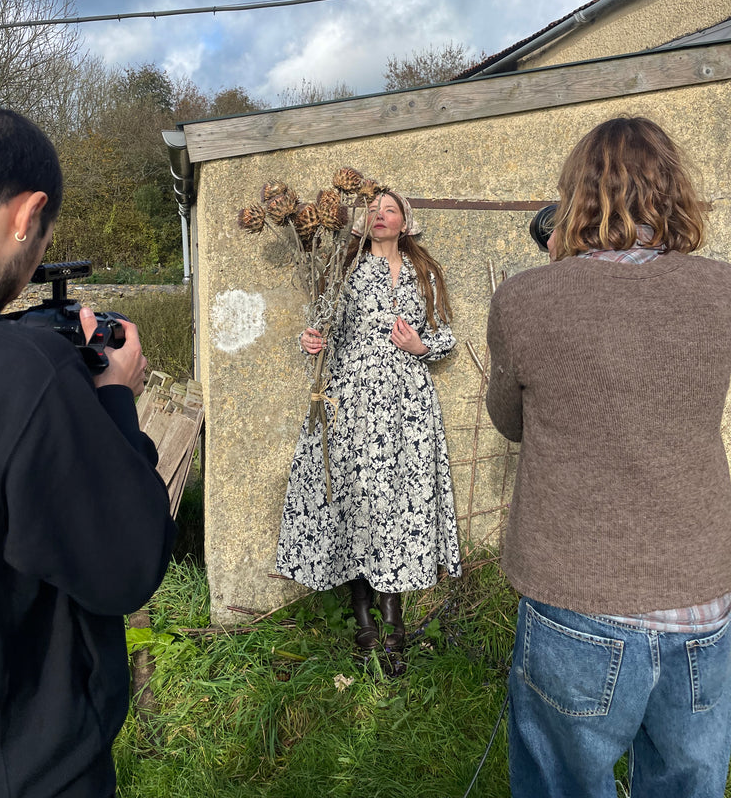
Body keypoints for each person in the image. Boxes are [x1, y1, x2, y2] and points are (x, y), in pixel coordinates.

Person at [486, 116, 731, 798]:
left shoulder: (525, 298)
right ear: (672, 191)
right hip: (703, 592)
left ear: (576, 197)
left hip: (578, 595)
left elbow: (510, 421)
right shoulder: (723, 290)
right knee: (689, 783)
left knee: (563, 783)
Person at [0, 107, 175, 798]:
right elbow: (126, 564)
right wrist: (114, 395)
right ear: (29, 215)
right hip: (21, 764)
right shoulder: (18, 376)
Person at [276, 189, 461, 651]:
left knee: (396, 504)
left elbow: (445, 336)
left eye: (389, 210)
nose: (380, 215)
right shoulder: (346, 269)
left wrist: (422, 347)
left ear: (405, 221)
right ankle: (364, 623)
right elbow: (323, 327)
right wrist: (310, 341)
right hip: (352, 402)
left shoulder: (425, 272)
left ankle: (394, 626)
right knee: (354, 502)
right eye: (373, 210)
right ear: (362, 221)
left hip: (407, 406)